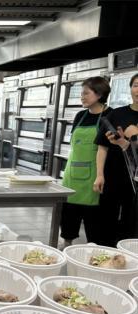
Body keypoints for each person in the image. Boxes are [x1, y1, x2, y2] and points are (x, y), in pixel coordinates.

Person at [59, 77, 112, 248]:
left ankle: (93, 252)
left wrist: (100, 175)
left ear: (99, 94)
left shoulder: (110, 116)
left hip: (95, 177)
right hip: (72, 175)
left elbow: (108, 149)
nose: (82, 97)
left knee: (94, 222)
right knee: (68, 217)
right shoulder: (80, 115)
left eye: (86, 93)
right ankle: (66, 246)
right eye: (82, 94)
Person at [93, 73, 138, 246]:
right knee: (106, 220)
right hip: (113, 176)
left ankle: (126, 255)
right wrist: (99, 175)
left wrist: (133, 137)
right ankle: (104, 253)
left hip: (135, 184)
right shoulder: (117, 114)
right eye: (136, 85)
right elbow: (102, 147)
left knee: (131, 225)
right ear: (130, 89)